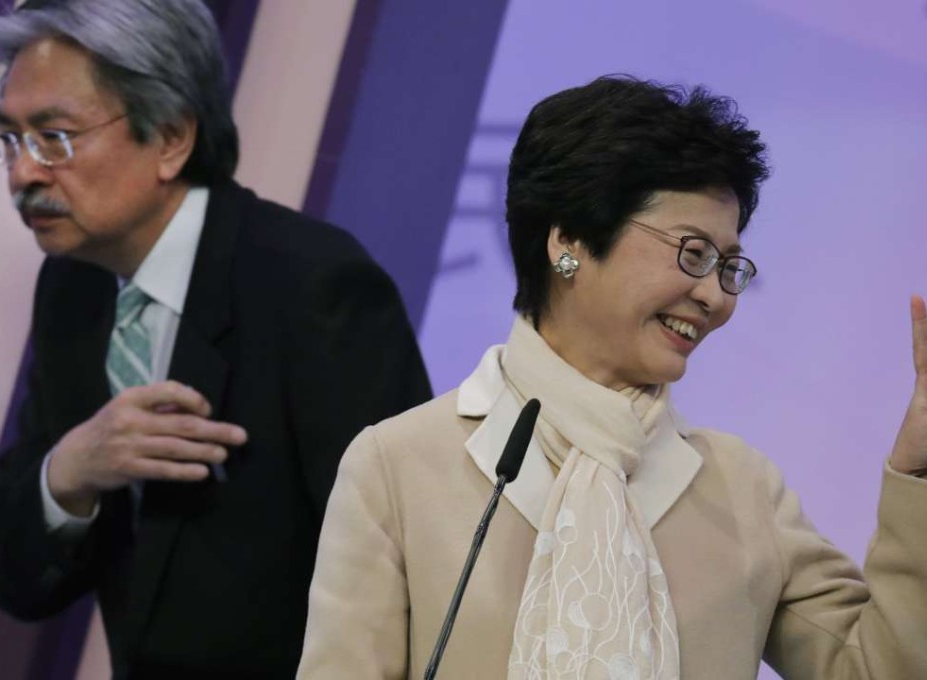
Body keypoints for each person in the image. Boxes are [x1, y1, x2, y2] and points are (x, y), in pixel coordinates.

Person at [297, 75, 927, 678]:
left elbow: (881, 668)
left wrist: (918, 472)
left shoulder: (743, 491)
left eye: (729, 265)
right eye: (693, 252)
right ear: (567, 239)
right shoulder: (400, 466)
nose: (714, 295)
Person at [0, 1, 431, 677]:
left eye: (56, 138)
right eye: (10, 140)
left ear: (171, 138)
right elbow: (14, 578)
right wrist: (69, 472)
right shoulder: (72, 291)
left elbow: (405, 572)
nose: (23, 174)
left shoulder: (313, 285)